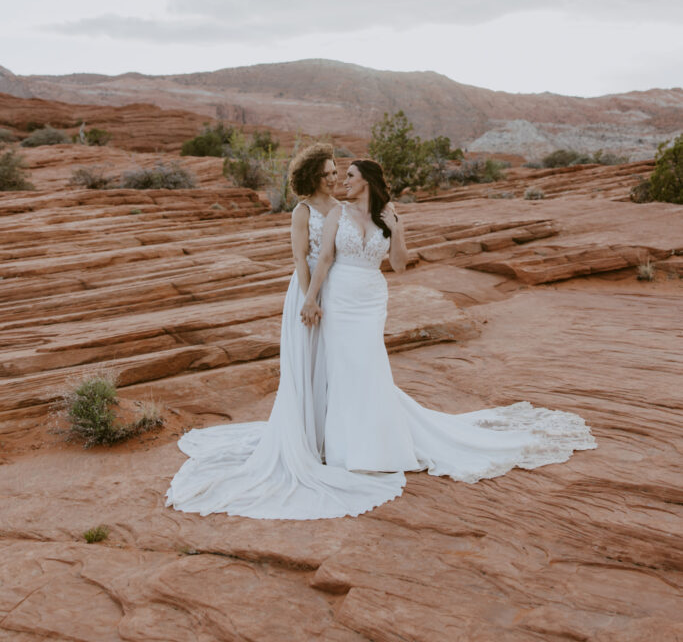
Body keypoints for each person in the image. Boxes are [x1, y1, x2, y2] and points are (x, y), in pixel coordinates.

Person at [166, 154, 597, 520]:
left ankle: (374, 442)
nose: (343, 181)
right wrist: (312, 299)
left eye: (350, 175)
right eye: (339, 174)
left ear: (366, 182)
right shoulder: (335, 213)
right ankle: (345, 449)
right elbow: (325, 258)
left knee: (369, 367)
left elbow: (401, 265)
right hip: (338, 296)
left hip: (372, 297)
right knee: (347, 369)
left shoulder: (383, 216)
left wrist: (398, 227)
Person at [166, 144, 406, 519]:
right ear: (313, 176)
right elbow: (303, 257)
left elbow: (364, 247)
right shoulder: (303, 211)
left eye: (337, 172)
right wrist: (310, 298)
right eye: (327, 173)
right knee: (309, 361)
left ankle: (337, 434)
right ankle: (309, 437)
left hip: (343, 290)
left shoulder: (344, 209)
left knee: (336, 364)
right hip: (312, 284)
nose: (334, 177)